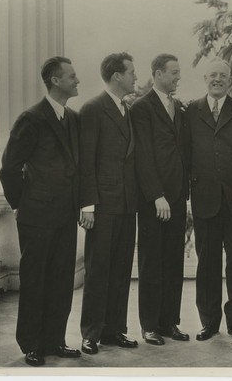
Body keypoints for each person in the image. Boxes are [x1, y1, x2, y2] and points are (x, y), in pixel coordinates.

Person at [0, 56, 81, 366]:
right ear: (55, 81)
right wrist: (22, 205)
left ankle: (55, 340)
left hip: (65, 215)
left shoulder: (72, 118)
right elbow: (9, 168)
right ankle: (31, 344)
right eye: (71, 76)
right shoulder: (31, 118)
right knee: (36, 280)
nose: (77, 80)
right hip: (37, 216)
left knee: (61, 279)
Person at [185, 58, 232, 343]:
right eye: (212, 74)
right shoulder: (191, 110)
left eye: (222, 75)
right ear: (205, 78)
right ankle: (209, 322)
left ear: (230, 79)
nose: (217, 79)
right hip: (204, 199)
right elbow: (186, 153)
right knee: (207, 263)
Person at [79, 52, 138, 355]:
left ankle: (115, 330)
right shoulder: (93, 108)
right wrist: (87, 205)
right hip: (102, 205)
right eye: (131, 72)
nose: (135, 78)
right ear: (117, 75)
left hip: (127, 204)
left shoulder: (126, 109)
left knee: (121, 270)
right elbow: (85, 160)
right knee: (98, 270)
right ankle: (91, 333)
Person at [130, 53, 189, 346]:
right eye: (174, 72)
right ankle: (150, 325)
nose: (179, 77)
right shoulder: (141, 108)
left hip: (177, 198)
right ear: (158, 73)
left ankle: (169, 322)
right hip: (155, 200)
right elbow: (143, 156)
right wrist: (157, 196)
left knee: (173, 262)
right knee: (152, 262)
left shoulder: (178, 106)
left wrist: (182, 196)